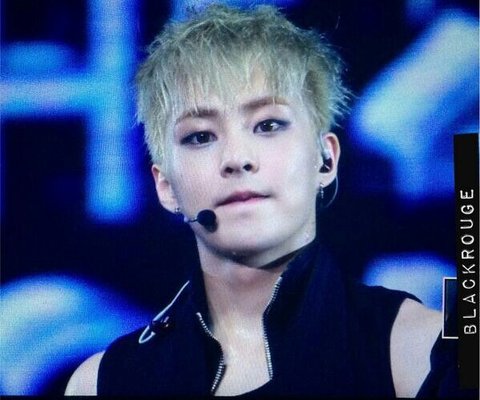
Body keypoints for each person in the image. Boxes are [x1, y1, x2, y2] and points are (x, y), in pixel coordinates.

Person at [65, 4, 467, 397]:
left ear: (325, 159)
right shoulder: (102, 384)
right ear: (166, 186)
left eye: (267, 125)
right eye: (201, 136)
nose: (237, 158)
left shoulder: (419, 353)